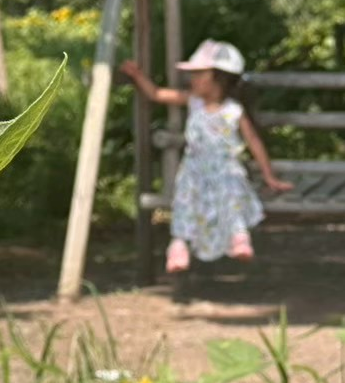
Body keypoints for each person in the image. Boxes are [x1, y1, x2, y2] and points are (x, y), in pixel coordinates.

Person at [121, 40, 292, 273]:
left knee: (231, 195)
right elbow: (157, 94)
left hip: (225, 169)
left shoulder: (234, 111)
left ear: (219, 78)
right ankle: (179, 245)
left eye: (200, 73)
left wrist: (269, 176)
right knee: (184, 203)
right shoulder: (193, 102)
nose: (193, 79)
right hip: (194, 170)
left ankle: (238, 236)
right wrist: (138, 76)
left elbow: (253, 142)